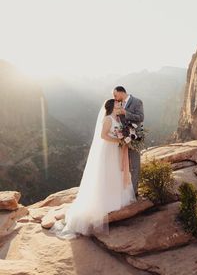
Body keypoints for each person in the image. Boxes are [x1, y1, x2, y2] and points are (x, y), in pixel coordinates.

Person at [49, 99, 136, 239]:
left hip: (117, 150)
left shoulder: (118, 118)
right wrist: (118, 140)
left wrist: (125, 137)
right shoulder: (107, 119)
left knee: (116, 173)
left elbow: (120, 131)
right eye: (117, 104)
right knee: (108, 173)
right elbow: (103, 135)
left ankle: (117, 199)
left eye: (120, 104)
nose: (120, 105)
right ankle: (107, 202)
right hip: (109, 150)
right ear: (111, 107)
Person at [113, 86, 144, 196]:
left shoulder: (137, 101)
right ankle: (125, 191)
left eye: (115, 95)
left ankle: (134, 192)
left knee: (134, 166)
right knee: (124, 165)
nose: (115, 98)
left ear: (121, 93)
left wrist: (125, 113)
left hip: (134, 138)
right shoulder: (119, 104)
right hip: (122, 139)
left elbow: (141, 117)